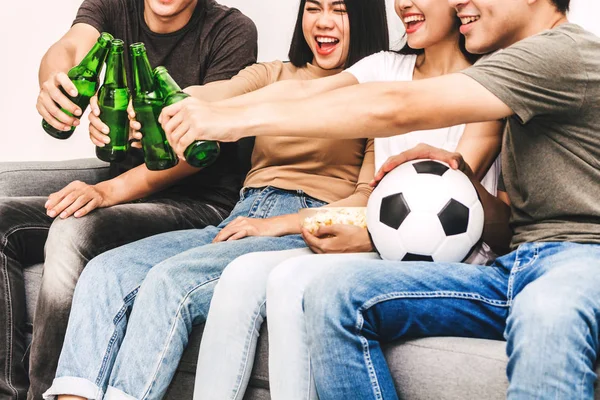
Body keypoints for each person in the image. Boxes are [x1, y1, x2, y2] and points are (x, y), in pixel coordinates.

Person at [162, 0, 600, 397]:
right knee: (335, 294)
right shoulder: (505, 71)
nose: (462, 1)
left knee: (548, 310)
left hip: (580, 259)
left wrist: (232, 123)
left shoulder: (564, 52)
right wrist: (460, 182)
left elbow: (395, 107)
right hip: (516, 265)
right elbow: (507, 226)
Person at [41, 0, 390, 399]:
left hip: (302, 227)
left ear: (362, 18)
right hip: (239, 216)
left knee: (170, 282)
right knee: (106, 272)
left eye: (340, 10)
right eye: (314, 8)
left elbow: (367, 200)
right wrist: (151, 107)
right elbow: (211, 95)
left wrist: (278, 225)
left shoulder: (376, 92)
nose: (324, 22)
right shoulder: (273, 74)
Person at [0, 0, 257, 399]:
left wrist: (106, 193)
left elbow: (200, 154)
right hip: (120, 185)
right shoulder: (113, 7)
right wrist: (55, 83)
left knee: (73, 229)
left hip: (199, 202)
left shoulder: (230, 30)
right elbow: (70, 48)